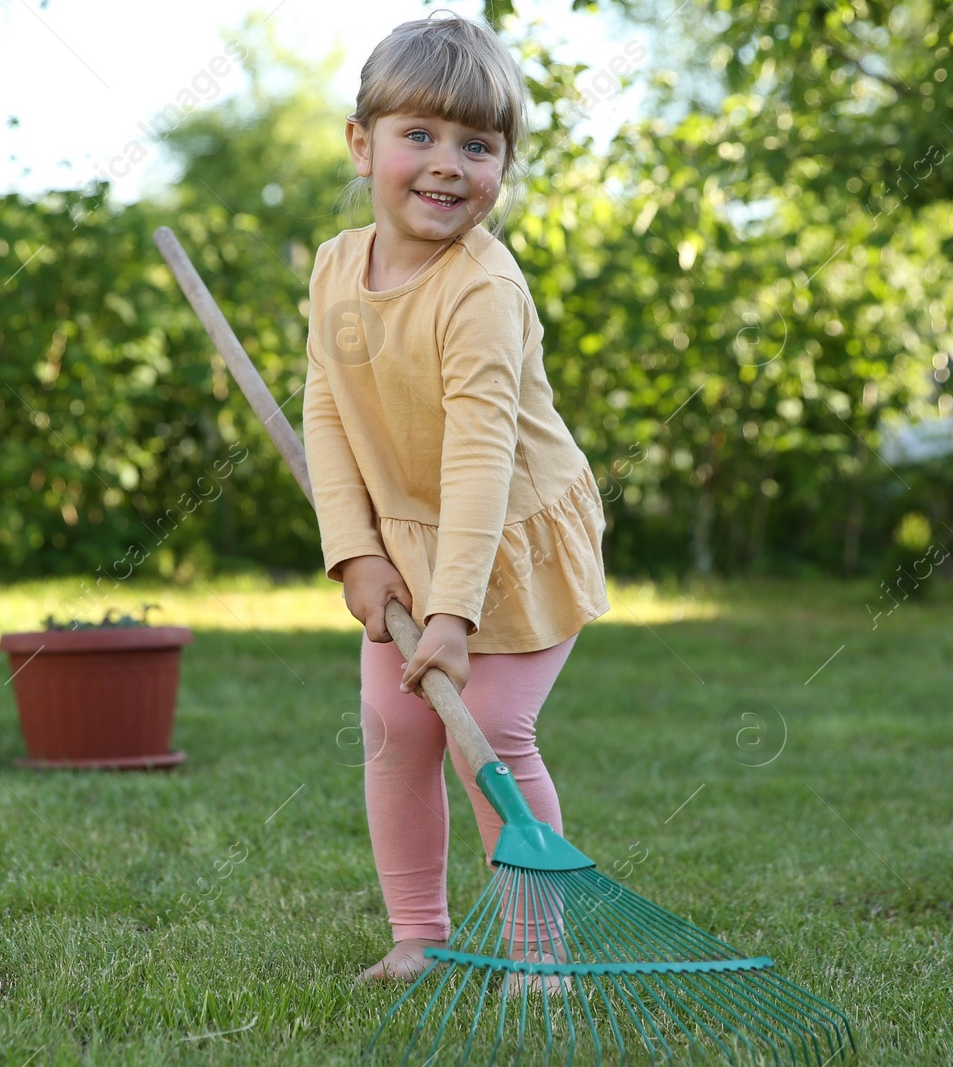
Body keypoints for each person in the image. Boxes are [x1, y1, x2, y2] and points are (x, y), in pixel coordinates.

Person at [301, 13, 610, 984]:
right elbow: (326, 408)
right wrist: (354, 549)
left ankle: (535, 950)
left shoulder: (481, 290)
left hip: (509, 544)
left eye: (477, 144)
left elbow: (480, 460)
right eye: (419, 136)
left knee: (494, 734)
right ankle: (416, 934)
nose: (446, 164)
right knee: (397, 729)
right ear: (363, 144)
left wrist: (452, 612)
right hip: (407, 542)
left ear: (503, 165)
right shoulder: (334, 268)